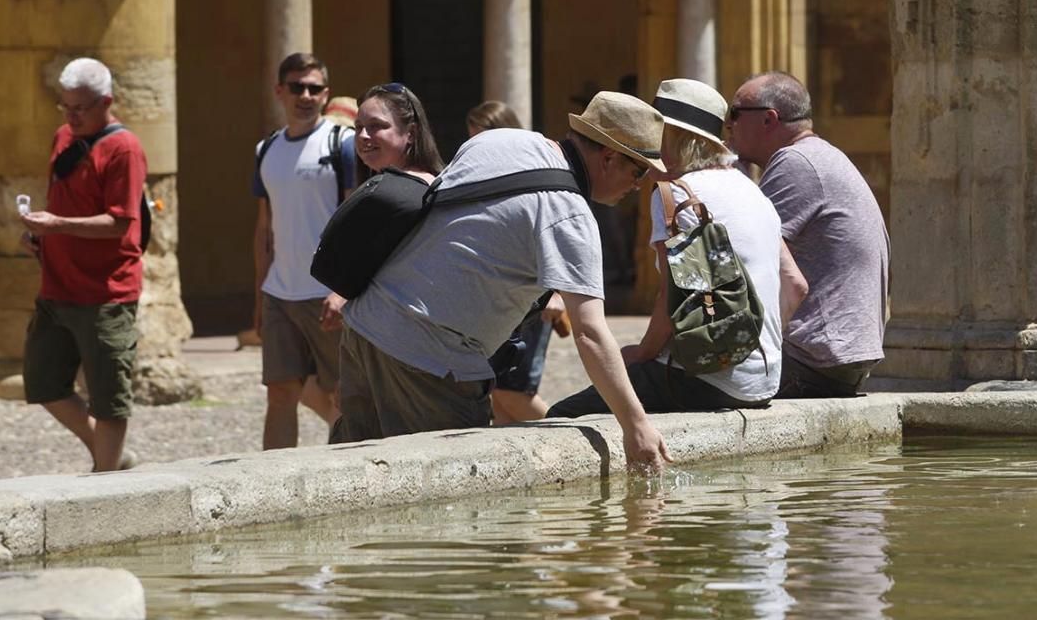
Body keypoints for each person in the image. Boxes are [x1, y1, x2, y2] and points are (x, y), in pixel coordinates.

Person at [333, 91, 673, 473]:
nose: (639, 185)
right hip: (427, 361)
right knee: (455, 514)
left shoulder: (500, 140)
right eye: (639, 171)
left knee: (351, 484)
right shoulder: (570, 216)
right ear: (609, 157)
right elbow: (591, 333)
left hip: (364, 327)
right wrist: (636, 425)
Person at [548, 78, 808, 417]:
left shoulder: (676, 194)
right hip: (765, 380)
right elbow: (796, 287)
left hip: (704, 378)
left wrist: (642, 352)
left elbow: (671, 298)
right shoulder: (753, 192)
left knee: (562, 416)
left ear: (671, 136)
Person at [726, 71, 890, 398]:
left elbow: (737, 253)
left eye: (734, 114)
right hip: (843, 360)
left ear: (769, 119)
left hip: (812, 360)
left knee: (667, 377)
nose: (728, 126)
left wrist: (721, 169)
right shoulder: (819, 156)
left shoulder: (796, 163)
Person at [19, 57, 147, 472]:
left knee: (109, 398)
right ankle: (112, 455)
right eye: (66, 107)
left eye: (81, 108)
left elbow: (119, 223)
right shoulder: (62, 138)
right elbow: (61, 201)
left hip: (106, 293)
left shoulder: (124, 148)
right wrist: (40, 236)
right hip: (57, 288)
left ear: (106, 101)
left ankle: (104, 480)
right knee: (43, 383)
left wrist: (56, 225)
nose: (71, 116)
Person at [252, 53, 356, 449]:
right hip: (279, 292)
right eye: (297, 87)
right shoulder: (266, 150)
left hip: (326, 292)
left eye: (315, 88)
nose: (306, 95)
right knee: (279, 395)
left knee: (342, 396)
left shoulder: (341, 144)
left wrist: (344, 289)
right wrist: (259, 298)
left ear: (326, 94)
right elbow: (264, 230)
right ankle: (273, 488)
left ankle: (349, 482)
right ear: (280, 91)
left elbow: (355, 223)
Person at [464, 99, 567, 425]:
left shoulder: (537, 172)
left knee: (515, 391)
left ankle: (566, 436)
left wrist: (559, 293)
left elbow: (560, 237)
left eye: (482, 136)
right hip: (498, 300)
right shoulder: (483, 173)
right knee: (498, 394)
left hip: (534, 299)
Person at [355, 82, 444, 186]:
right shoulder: (376, 187)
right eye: (358, 127)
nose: (362, 135)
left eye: (375, 125)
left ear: (411, 132)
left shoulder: (420, 189)